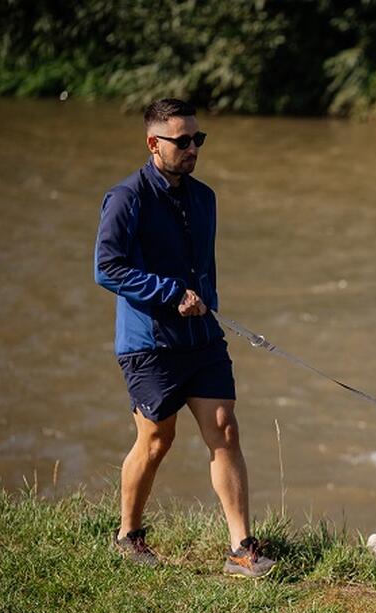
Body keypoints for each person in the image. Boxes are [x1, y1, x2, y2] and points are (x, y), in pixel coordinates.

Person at [94, 98, 274, 578]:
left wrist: (205, 301)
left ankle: (241, 548)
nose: (193, 147)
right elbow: (107, 268)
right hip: (149, 342)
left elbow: (202, 267)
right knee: (156, 440)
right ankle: (128, 535)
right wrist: (171, 292)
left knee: (225, 428)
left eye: (199, 138)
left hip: (202, 337)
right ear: (154, 143)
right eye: (183, 140)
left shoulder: (204, 197)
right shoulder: (126, 197)